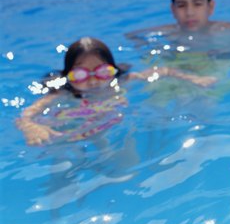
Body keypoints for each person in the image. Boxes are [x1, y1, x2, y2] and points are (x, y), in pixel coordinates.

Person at [16, 37, 216, 145]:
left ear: (113, 71)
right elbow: (26, 115)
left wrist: (194, 79)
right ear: (68, 76)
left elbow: (162, 70)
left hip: (109, 128)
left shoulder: (123, 82)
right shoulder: (62, 94)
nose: (94, 81)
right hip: (74, 130)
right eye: (82, 74)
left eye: (102, 72)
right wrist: (31, 127)